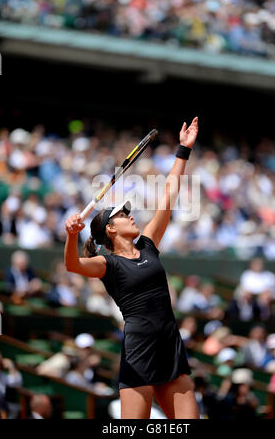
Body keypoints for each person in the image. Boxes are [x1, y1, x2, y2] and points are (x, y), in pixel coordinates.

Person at [64, 118, 200, 419]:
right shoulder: (107, 263)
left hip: (169, 342)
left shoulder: (149, 245)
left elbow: (168, 197)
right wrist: (72, 235)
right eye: (123, 214)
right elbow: (72, 265)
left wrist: (183, 151)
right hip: (140, 347)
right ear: (110, 230)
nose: (130, 215)